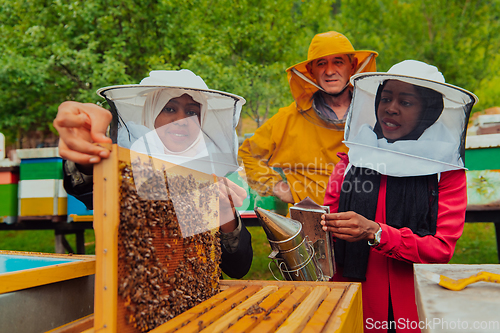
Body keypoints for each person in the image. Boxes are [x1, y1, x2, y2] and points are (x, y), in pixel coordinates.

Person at [321, 60, 477, 332]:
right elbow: (328, 223)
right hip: (350, 294)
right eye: (386, 98)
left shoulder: (445, 172)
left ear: (428, 112)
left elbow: (440, 248)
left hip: (411, 303)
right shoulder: (352, 159)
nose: (390, 108)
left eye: (406, 102)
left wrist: (377, 232)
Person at [53, 69, 253, 278]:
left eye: (192, 112)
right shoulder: (128, 168)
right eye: (169, 108)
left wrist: (225, 214)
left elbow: (238, 267)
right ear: (150, 112)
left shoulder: (207, 176)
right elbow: (87, 185)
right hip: (134, 295)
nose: (181, 119)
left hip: (199, 302)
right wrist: (87, 150)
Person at [238, 31, 377, 208]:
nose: (329, 71)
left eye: (338, 62)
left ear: (353, 65)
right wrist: (278, 187)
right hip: (306, 224)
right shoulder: (288, 119)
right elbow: (247, 154)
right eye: (321, 64)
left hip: (363, 222)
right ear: (311, 71)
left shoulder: (374, 115)